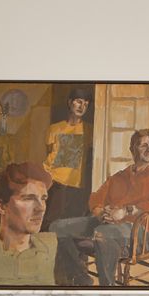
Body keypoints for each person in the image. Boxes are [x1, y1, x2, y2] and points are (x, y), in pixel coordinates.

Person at [50, 127, 149, 287]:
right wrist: (101, 213)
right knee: (57, 227)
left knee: (103, 232)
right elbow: (95, 199)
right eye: (144, 145)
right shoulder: (119, 177)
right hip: (108, 224)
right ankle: (80, 277)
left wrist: (126, 211)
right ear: (132, 149)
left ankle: (107, 287)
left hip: (140, 233)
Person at [0, 162, 58, 286]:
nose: (41, 208)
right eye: (29, 198)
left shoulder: (52, 247)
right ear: (1, 206)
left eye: (43, 199)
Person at [42, 86, 92, 222]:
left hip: (76, 185)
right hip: (55, 182)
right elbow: (49, 153)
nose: (82, 106)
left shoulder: (89, 130)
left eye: (86, 104)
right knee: (50, 221)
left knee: (69, 224)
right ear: (70, 102)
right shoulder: (54, 128)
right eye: (79, 101)